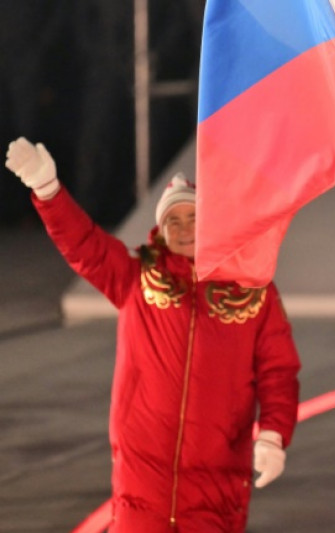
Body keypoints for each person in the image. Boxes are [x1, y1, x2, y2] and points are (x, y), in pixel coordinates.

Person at [5, 137, 301, 532]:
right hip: (142, 482)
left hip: (217, 485)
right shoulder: (136, 277)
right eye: (172, 221)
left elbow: (279, 373)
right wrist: (48, 190)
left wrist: (274, 435)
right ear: (161, 231)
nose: (184, 228)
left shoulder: (252, 289)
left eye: (192, 217)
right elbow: (84, 245)